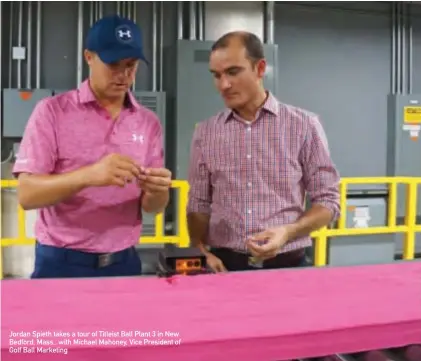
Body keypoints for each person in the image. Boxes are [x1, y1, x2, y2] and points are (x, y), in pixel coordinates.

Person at [13, 15, 172, 279]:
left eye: (131, 66)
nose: (124, 76)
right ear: (89, 57)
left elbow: (152, 207)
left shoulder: (148, 123)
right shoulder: (52, 113)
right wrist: (89, 176)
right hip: (61, 264)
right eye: (113, 65)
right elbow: (27, 195)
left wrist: (158, 191)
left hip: (125, 263)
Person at [186, 31, 340, 272]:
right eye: (216, 76)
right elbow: (198, 204)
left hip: (289, 264)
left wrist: (288, 232)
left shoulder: (304, 125)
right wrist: (201, 251)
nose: (223, 85)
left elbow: (328, 202)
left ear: (260, 69)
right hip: (225, 267)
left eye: (233, 72)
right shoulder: (206, 133)